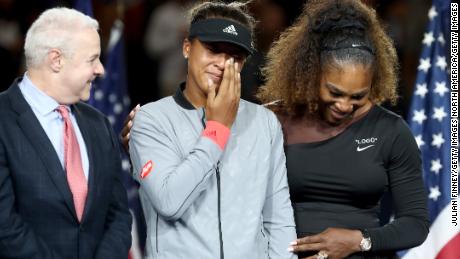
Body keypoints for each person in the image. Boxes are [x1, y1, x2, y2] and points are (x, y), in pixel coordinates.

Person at [256, 0, 429, 258]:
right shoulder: (271, 120)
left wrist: (359, 240)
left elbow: (415, 224)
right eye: (334, 92)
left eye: (357, 96)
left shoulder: (391, 131)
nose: (345, 106)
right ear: (312, 72)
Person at [128, 1, 297, 259]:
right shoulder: (151, 119)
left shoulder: (264, 122)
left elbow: (279, 217)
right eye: (213, 50)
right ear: (187, 48)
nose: (222, 63)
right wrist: (218, 128)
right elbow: (169, 202)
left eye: (234, 57)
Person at [0, 7, 132, 259]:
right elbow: (4, 226)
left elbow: (118, 215)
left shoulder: (100, 125)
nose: (101, 70)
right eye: (92, 59)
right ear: (56, 60)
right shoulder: (3, 119)